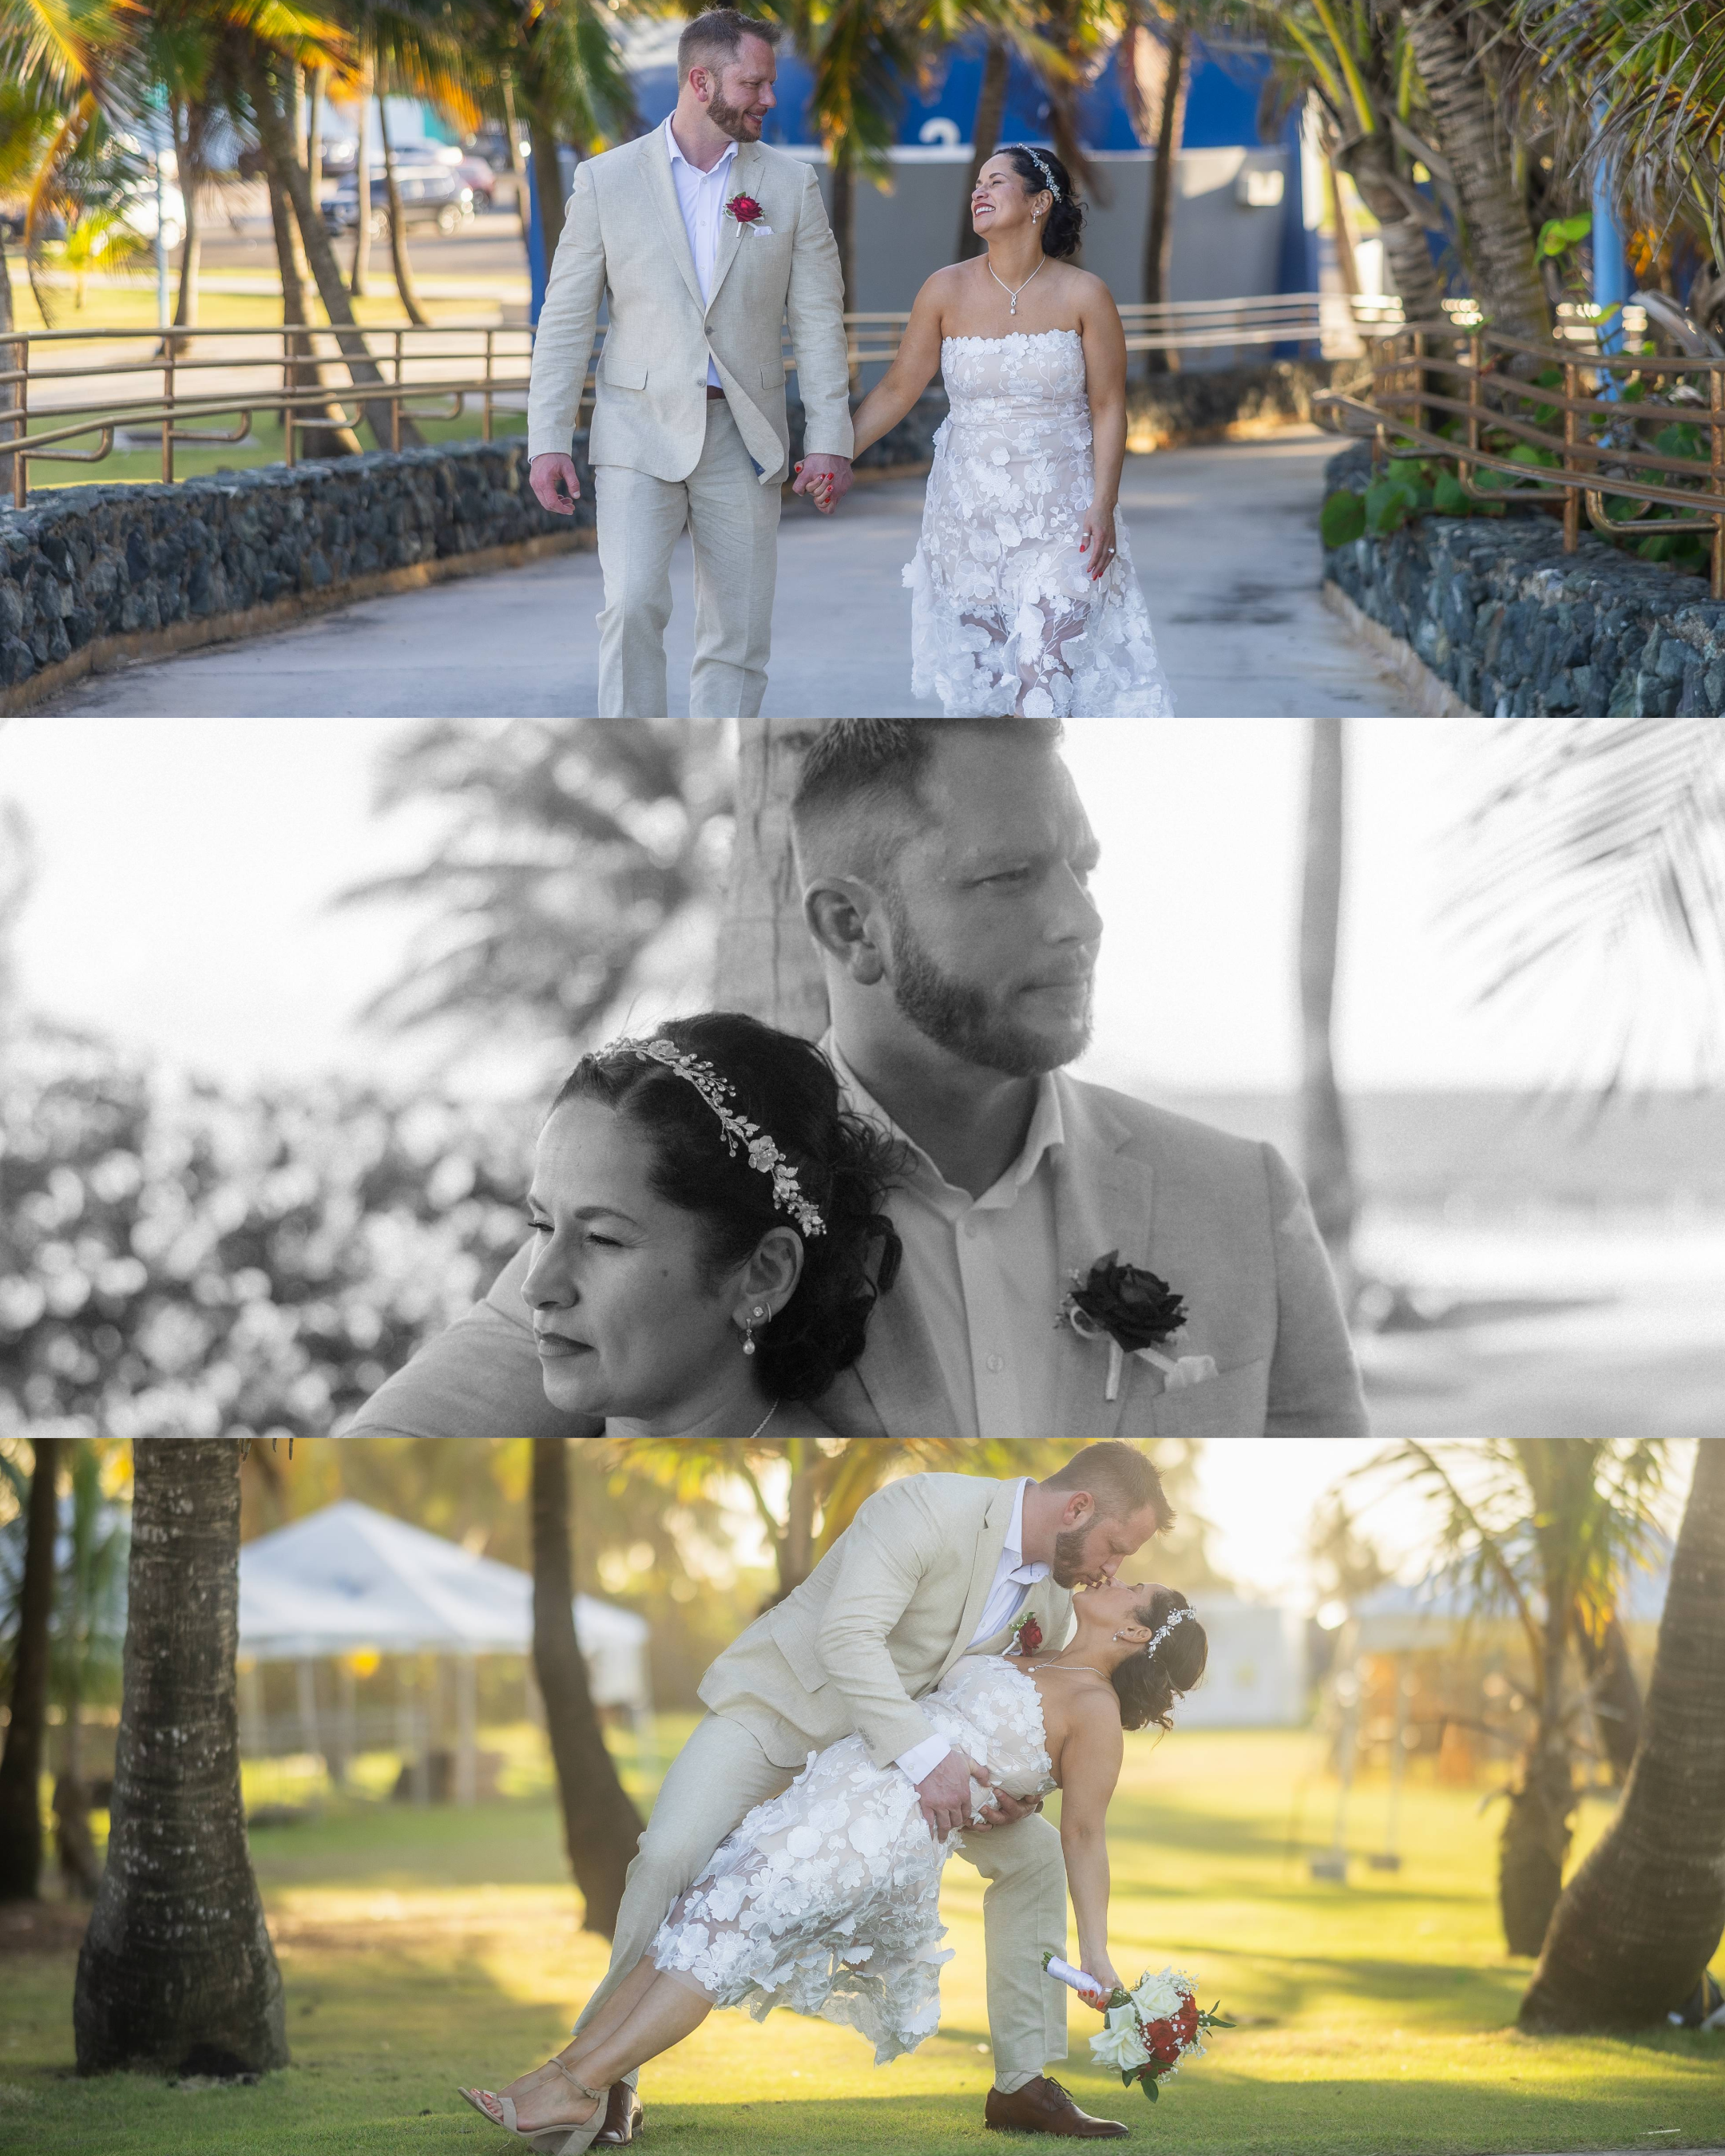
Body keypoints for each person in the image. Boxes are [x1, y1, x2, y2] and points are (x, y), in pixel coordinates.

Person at [345, 717, 1367, 1464]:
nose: (1079, 922)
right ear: (848, 928)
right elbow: (386, 1458)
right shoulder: (707, 1185)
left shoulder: (1242, 1200)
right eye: (1009, 879)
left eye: (1081, 871)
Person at [462, 1449, 1183, 2146]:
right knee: (670, 1859)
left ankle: (1022, 2083)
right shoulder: (927, 1508)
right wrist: (933, 1760)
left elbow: (1029, 1708)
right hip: (787, 1720)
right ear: (1077, 1508)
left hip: (888, 1784)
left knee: (1036, 1861)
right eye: (1114, 1549)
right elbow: (849, 1637)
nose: (1112, 1571)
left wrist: (1013, 1791)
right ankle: (614, 2078)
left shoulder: (1058, 1601)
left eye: (1122, 1568)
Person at [524, 10, 853, 720]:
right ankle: (633, 764)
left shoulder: (792, 187)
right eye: (754, 83)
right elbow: (566, 321)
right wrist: (547, 438)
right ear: (701, 81)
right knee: (633, 604)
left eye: (769, 83)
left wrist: (830, 438)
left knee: (736, 636)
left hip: (746, 434)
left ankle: (722, 776)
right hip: (636, 431)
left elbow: (821, 323)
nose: (769, 98)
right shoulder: (605, 182)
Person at [837, 148, 1172, 717]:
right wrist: (833, 456)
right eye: (976, 184)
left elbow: (1109, 404)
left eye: (996, 182)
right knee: (989, 696)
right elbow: (897, 389)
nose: (979, 192)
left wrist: (1104, 503)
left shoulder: (1085, 295)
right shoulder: (944, 290)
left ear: (1040, 201)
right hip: (968, 522)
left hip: (1063, 517)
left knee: (1043, 686)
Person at [518, 1010, 899, 1446]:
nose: (535, 1287)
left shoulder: (863, 1505)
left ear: (764, 1274)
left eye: (603, 1238)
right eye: (541, 1225)